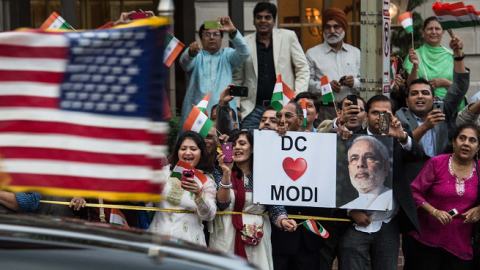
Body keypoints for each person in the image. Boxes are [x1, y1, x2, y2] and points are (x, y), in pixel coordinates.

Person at [338, 95, 424, 270]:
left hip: (388, 223)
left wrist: (402, 137)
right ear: (366, 116)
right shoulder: (351, 138)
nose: (379, 117)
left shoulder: (399, 138)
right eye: (375, 112)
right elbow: (338, 174)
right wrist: (351, 209)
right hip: (355, 222)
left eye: (385, 113)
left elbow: (418, 155)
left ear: (393, 115)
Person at [210, 130, 295, 270]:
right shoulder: (218, 171)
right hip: (225, 235)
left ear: (253, 148)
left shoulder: (264, 175)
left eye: (242, 143)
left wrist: (283, 221)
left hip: (256, 238)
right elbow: (222, 204)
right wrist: (226, 172)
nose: (237, 147)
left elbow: (275, 207)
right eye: (234, 144)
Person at [404, 124, 480, 270]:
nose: (466, 143)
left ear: (478, 147)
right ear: (454, 142)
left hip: (462, 244)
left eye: (472, 140)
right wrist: (434, 211)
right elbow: (413, 192)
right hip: (427, 241)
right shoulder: (437, 163)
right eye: (462, 138)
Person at [234, 2, 309, 129]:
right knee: (249, 144)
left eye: (267, 17)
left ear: (274, 21)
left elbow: (303, 68)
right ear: (253, 20)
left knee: (279, 146)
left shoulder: (288, 37)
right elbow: (238, 79)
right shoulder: (245, 43)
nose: (263, 21)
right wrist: (236, 106)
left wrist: (296, 97)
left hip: (283, 106)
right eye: (259, 17)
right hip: (252, 108)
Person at [270, 102, 325, 270]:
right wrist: (275, 141)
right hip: (278, 235)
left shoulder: (318, 143)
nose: (282, 120)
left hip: (309, 237)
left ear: (301, 119)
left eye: (288, 115)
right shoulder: (269, 143)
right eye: (279, 116)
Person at [396, 35, 468, 157]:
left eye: (425, 93)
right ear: (407, 102)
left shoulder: (441, 111)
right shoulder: (400, 117)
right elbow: (401, 147)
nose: (420, 96)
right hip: (415, 174)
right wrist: (425, 126)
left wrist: (458, 54)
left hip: (440, 172)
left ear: (434, 99)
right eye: (414, 93)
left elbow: (460, 87)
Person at [179, 16, 249, 133]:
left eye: (216, 34)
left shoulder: (227, 56)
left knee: (226, 143)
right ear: (200, 38)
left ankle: (226, 152)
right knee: (194, 147)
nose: (211, 37)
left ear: (221, 39)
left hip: (223, 113)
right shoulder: (196, 56)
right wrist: (190, 52)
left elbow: (244, 52)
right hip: (197, 115)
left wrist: (232, 30)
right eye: (207, 34)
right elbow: (183, 62)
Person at [148, 131, 216, 246]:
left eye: (193, 149)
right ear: (177, 151)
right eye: (183, 148)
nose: (188, 152)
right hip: (158, 240)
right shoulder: (166, 172)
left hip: (189, 245)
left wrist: (199, 194)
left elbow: (209, 216)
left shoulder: (206, 181)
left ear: (201, 153)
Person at [305, 8, 360, 122]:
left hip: (351, 110)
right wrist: (327, 87)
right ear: (323, 30)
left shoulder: (355, 53)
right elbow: (306, 84)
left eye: (336, 27)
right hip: (325, 110)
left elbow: (366, 82)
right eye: (328, 27)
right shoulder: (312, 53)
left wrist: (353, 83)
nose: (332, 31)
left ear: (343, 28)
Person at [404, 17, 466, 112]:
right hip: (425, 109)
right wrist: (415, 66)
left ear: (443, 33)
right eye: (430, 29)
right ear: (423, 33)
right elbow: (411, 86)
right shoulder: (414, 55)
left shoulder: (452, 55)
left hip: (452, 108)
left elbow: (462, 86)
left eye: (437, 29)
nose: (433, 32)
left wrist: (444, 83)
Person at [341, 136, 392, 210]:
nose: (360, 164)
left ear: (385, 167)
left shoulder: (394, 200)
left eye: (369, 157)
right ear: (348, 168)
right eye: (354, 159)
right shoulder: (345, 208)